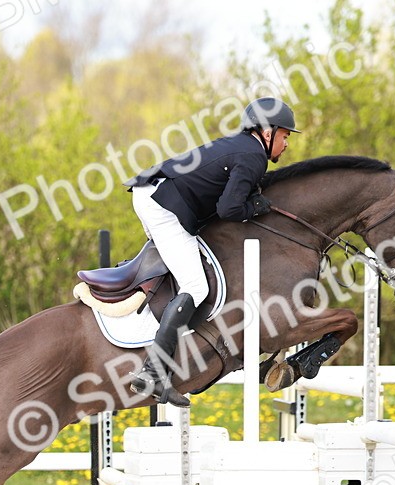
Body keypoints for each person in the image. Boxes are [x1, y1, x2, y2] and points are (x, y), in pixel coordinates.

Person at [124, 97, 300, 407]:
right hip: (161, 202)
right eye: (285, 135)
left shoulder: (245, 148)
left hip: (156, 194)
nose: (286, 144)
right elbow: (229, 208)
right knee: (196, 285)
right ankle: (152, 372)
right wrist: (254, 207)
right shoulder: (253, 157)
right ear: (267, 132)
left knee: (182, 273)